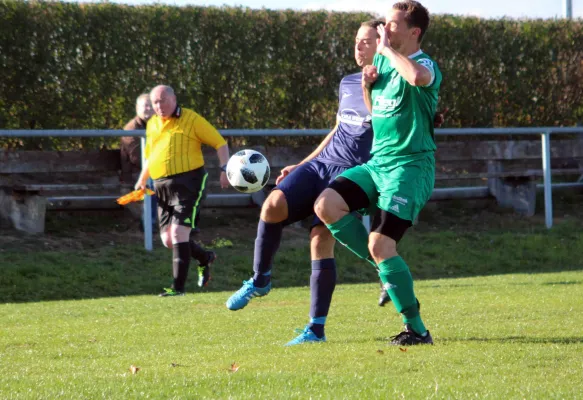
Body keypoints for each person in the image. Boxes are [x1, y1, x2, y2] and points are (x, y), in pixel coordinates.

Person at [225, 20, 384, 334]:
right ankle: (260, 279)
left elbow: (385, 127)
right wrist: (302, 164)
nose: (358, 46)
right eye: (356, 40)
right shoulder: (347, 82)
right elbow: (338, 130)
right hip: (321, 164)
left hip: (352, 176)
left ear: (383, 45)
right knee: (271, 204)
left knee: (319, 238)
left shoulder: (392, 89)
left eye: (366, 41)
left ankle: (315, 329)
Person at [314, 0, 442, 346]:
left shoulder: (423, 62)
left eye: (393, 24)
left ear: (414, 32)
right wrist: (369, 84)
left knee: (380, 242)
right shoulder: (384, 63)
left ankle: (417, 329)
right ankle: (385, 272)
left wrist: (384, 50)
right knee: (326, 205)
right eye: (384, 23)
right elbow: (374, 110)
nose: (385, 29)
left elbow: (417, 77)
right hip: (377, 163)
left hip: (410, 167)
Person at [135, 85, 230, 296]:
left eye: (163, 100)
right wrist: (142, 181)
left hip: (189, 183)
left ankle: (177, 289)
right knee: (168, 240)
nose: (159, 106)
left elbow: (220, 143)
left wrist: (225, 168)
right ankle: (205, 257)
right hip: (161, 186)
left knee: (178, 233)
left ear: (174, 99)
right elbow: (151, 156)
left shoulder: (191, 119)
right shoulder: (152, 125)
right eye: (155, 102)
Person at [121, 93, 157, 230]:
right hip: (136, 174)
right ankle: (149, 222)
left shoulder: (160, 124)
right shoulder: (132, 129)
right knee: (153, 181)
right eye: (145, 105)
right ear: (137, 108)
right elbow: (139, 159)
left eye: (151, 105)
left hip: (158, 167)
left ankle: (186, 223)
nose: (148, 108)